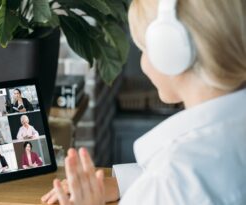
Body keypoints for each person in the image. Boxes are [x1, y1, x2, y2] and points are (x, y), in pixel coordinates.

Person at [41, 0, 246, 204]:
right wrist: (123, 183)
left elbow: (174, 186)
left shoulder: (172, 181)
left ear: (172, 55)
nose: (143, 62)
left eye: (144, 49)